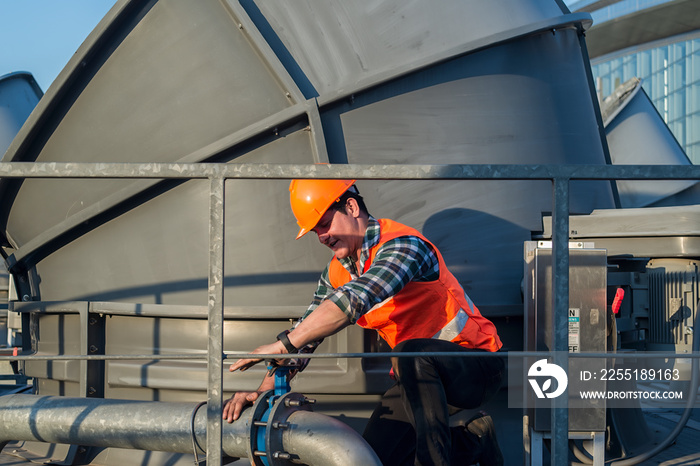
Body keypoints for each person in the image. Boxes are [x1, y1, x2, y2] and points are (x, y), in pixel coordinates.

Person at [223, 179, 505, 466]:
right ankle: (475, 442)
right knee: (373, 459)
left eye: (325, 224)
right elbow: (303, 339)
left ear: (351, 206)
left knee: (410, 354)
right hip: (418, 379)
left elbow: (358, 297)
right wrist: (262, 391)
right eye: (315, 231)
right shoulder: (336, 274)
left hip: (474, 365)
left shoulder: (403, 245)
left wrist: (283, 345)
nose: (322, 236)